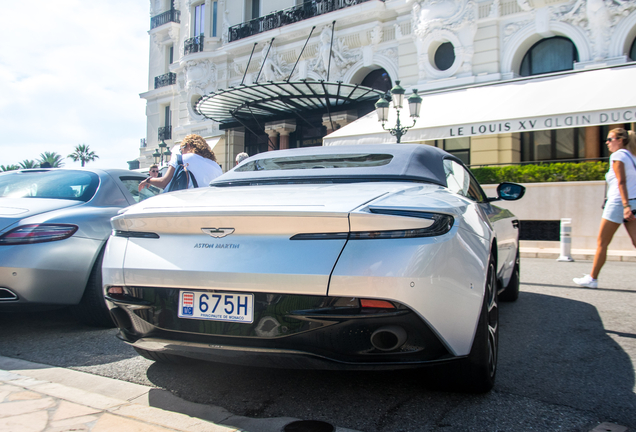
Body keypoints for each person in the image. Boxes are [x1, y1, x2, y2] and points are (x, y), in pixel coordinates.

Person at [573, 128, 636, 288]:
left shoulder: (618, 156)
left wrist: (625, 206)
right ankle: (592, 278)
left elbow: (621, 182)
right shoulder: (632, 156)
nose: (607, 143)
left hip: (618, 203)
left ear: (620, 140)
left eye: (610, 139)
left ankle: (592, 279)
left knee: (602, 242)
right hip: (632, 201)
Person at [139, 134, 222, 192]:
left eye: (181, 149)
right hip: (207, 209)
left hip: (187, 207)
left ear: (188, 145)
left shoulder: (181, 159)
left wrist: (148, 180)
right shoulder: (215, 166)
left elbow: (163, 182)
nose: (182, 153)